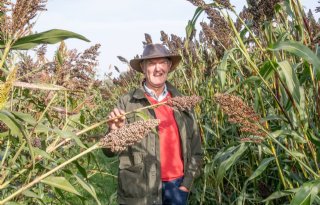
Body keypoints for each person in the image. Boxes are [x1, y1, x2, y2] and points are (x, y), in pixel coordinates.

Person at [103, 43, 202, 205]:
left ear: (169, 66)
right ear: (143, 67)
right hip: (140, 189)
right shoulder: (127, 102)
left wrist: (187, 183)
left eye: (162, 62)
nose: (158, 68)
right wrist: (113, 132)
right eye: (151, 63)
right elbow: (108, 152)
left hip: (176, 187)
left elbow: (196, 149)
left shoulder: (182, 102)